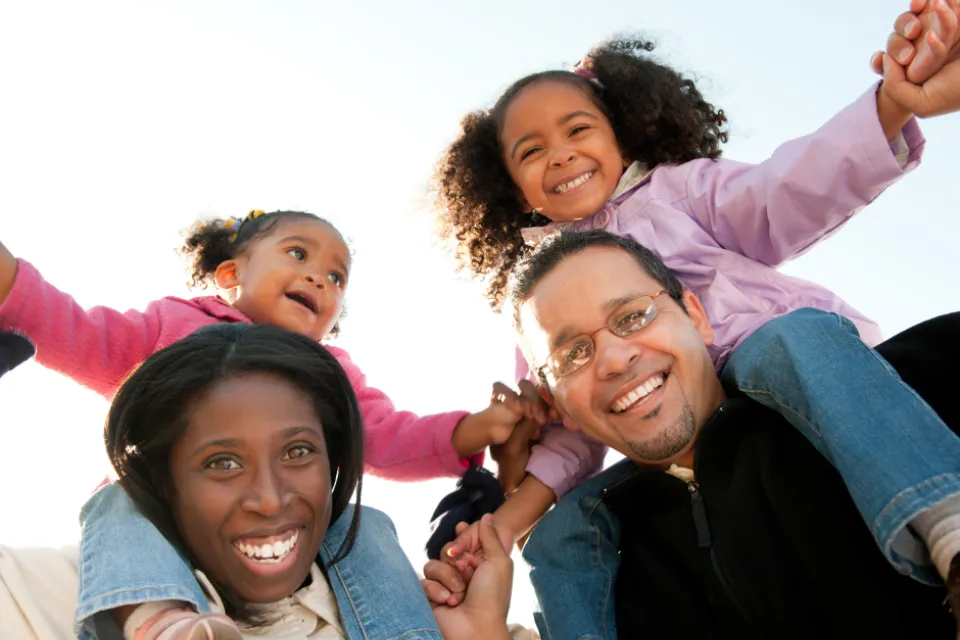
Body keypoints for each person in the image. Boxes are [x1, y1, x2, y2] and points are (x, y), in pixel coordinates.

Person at [434, 0, 960, 610]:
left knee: (789, 337)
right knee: (560, 535)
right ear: (509, 186)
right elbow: (575, 428)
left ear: (620, 132)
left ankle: (943, 520)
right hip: (669, 437)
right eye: (530, 151)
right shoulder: (538, 303)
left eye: (578, 129)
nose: (559, 154)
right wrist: (504, 523)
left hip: (780, 376)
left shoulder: (678, 191)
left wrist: (892, 104)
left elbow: (778, 194)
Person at [0, 209, 544, 638]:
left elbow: (389, 436)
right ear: (231, 273)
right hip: (163, 517)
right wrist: (10, 282)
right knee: (119, 503)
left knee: (368, 525)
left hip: (291, 542)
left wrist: (481, 427)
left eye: (336, 276)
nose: (319, 277)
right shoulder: (171, 326)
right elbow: (77, 332)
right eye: (297, 253)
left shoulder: (330, 371)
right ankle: (158, 621)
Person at [429, 229, 960, 638]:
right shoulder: (595, 571)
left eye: (633, 316)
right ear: (558, 404)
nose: (615, 358)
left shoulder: (921, 379)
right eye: (573, 354)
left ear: (697, 316)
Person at [1, 323, 454, 639]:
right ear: (164, 480)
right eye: (223, 463)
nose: (270, 500)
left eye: (298, 452)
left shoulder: (419, 607)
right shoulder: (54, 592)